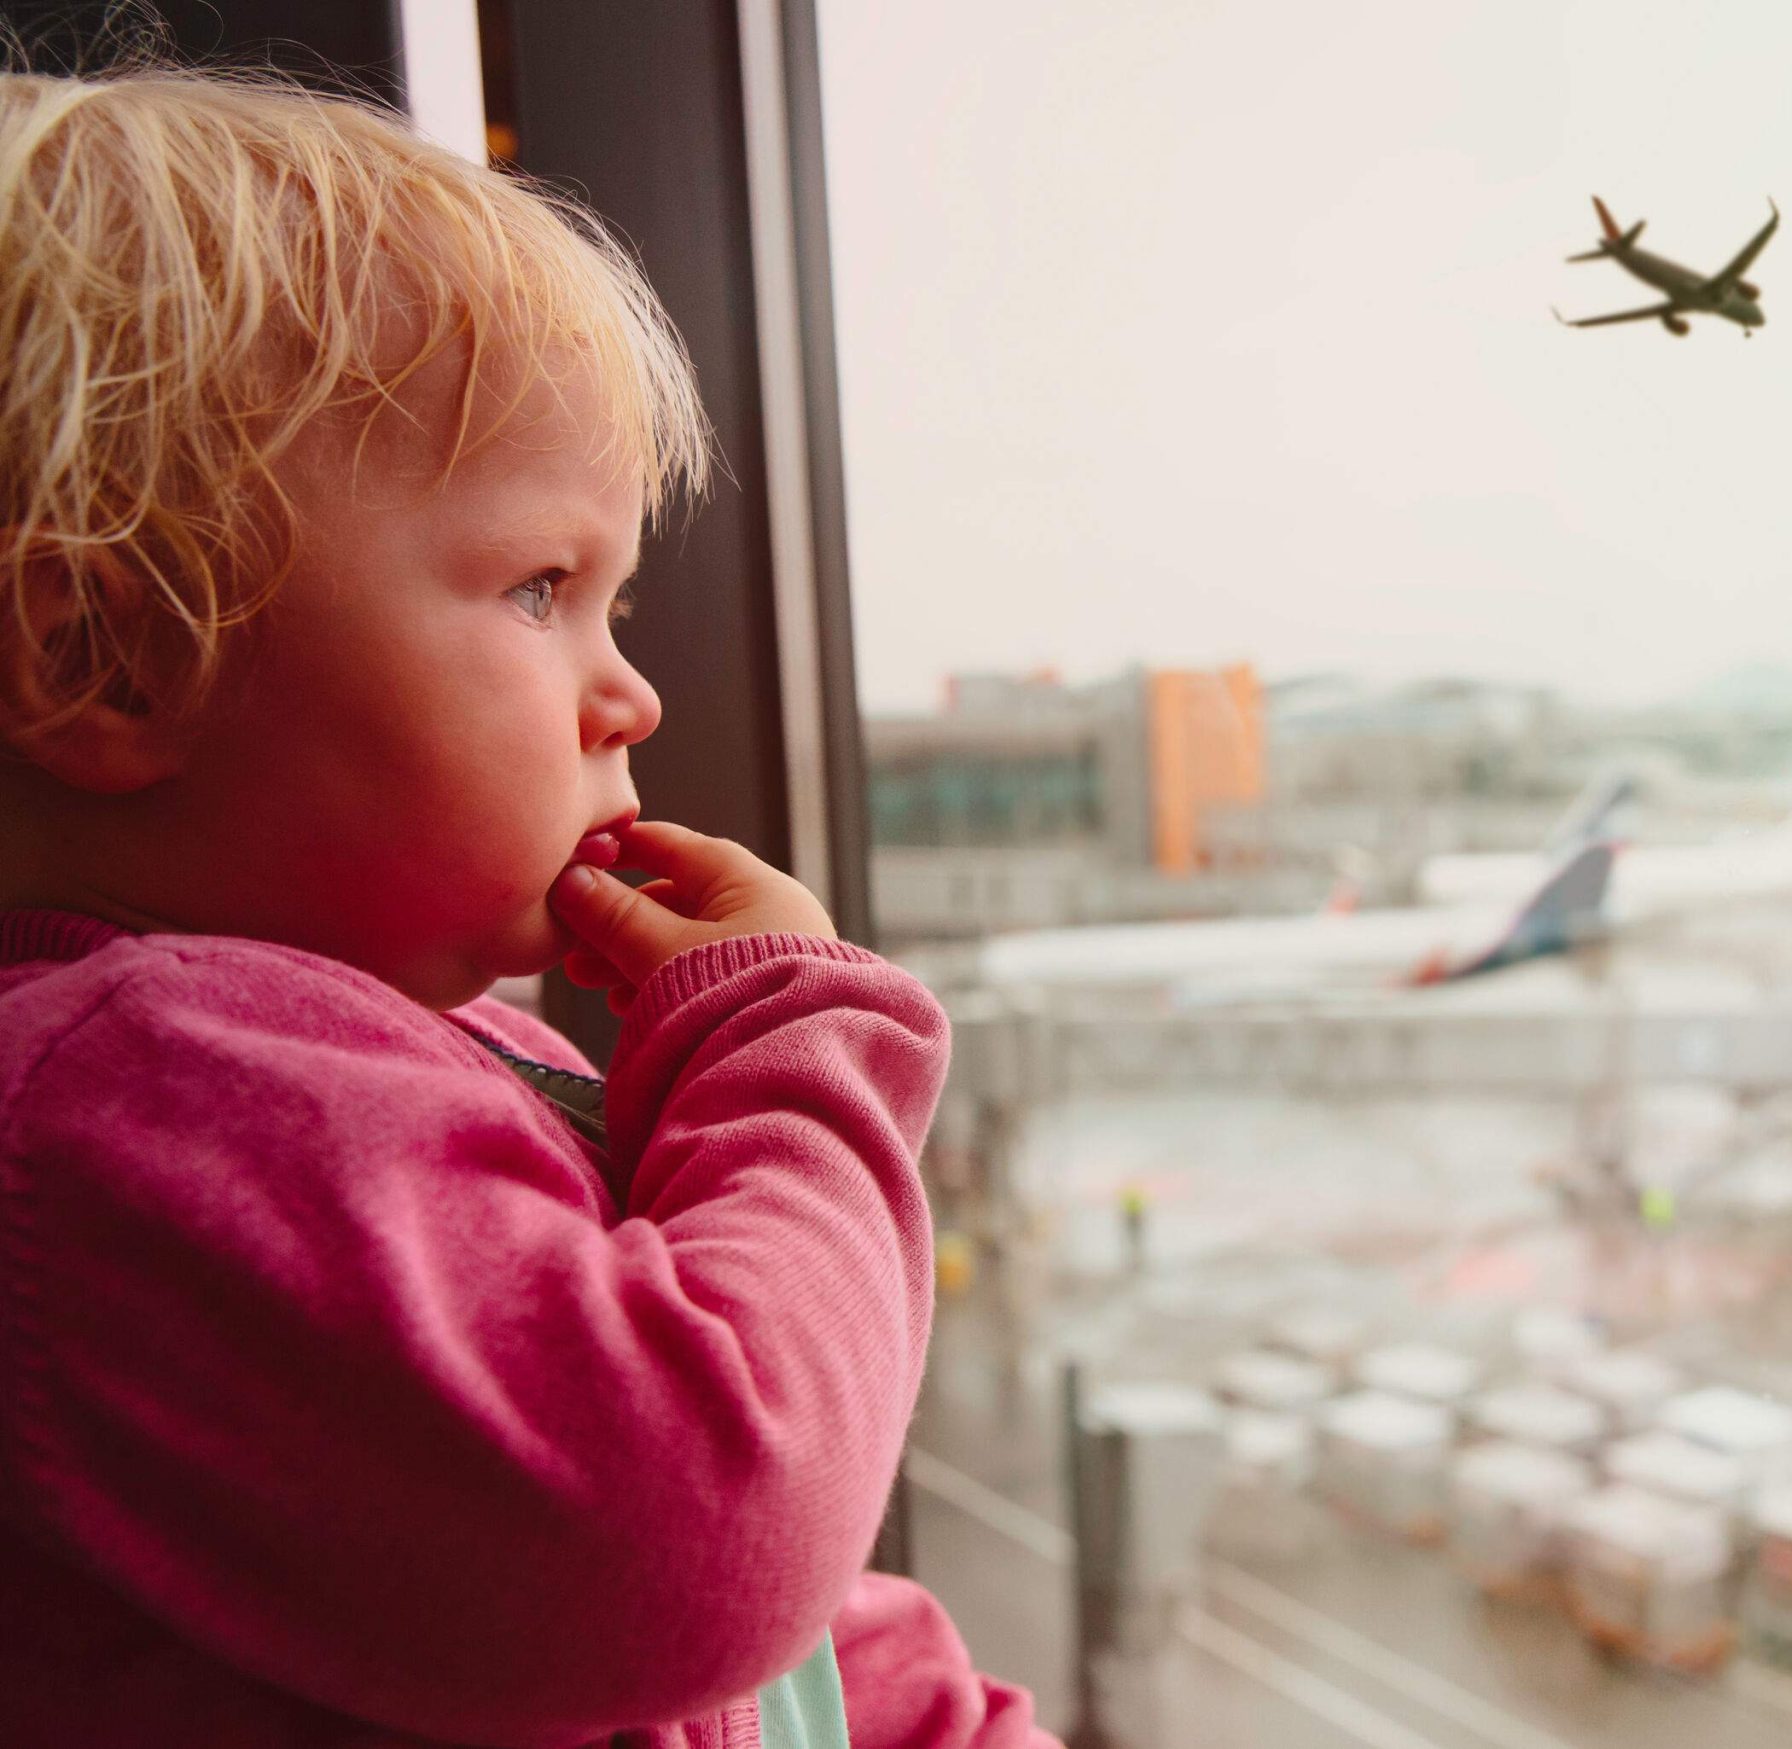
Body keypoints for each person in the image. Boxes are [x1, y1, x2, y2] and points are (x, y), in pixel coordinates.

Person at [0, 64, 1055, 1748]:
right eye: (541, 589)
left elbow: (767, 1648)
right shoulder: (132, 1100)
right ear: (105, 657)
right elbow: (707, 1525)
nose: (628, 693)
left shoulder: (415, 1053)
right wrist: (794, 1048)